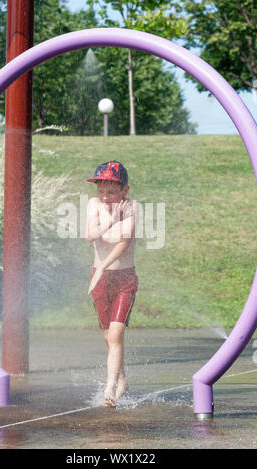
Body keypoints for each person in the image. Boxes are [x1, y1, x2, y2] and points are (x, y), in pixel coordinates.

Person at [85, 160, 138, 407]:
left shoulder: (132, 206)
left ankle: (109, 389)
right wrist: (113, 219)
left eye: (111, 192)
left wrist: (103, 266)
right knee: (108, 337)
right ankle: (122, 379)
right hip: (101, 280)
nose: (105, 197)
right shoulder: (93, 204)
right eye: (101, 191)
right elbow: (90, 235)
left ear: (124, 191)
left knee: (116, 333)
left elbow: (123, 242)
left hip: (123, 279)